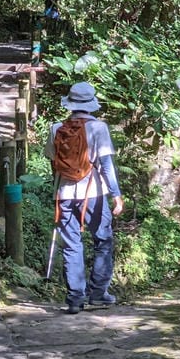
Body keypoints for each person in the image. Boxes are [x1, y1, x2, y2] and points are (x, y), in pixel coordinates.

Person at [45, 82, 124, 314]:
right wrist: (117, 195)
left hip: (64, 195)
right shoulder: (98, 128)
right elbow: (107, 166)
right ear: (90, 104)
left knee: (71, 245)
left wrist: (58, 189)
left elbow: (53, 164)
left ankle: (75, 299)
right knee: (103, 242)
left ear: (70, 103)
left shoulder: (56, 128)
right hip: (94, 195)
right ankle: (98, 294)